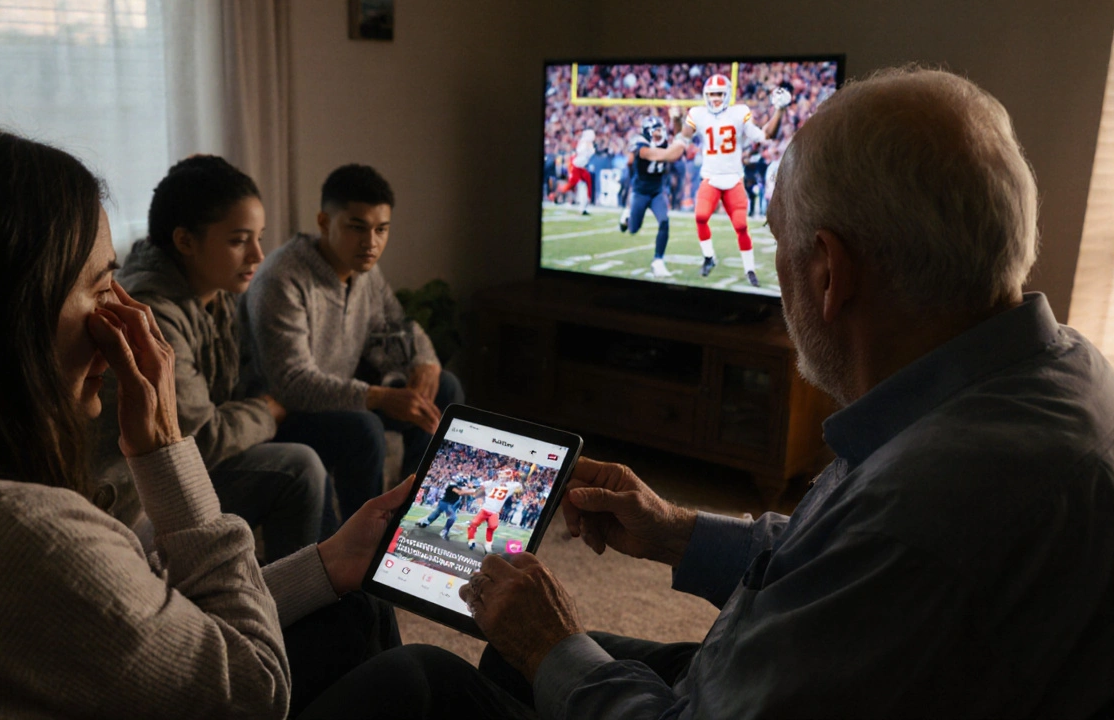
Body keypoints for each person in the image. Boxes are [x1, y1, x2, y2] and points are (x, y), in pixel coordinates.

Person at [297, 67, 1114, 720]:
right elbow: (839, 558)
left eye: (780, 244)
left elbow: (876, 551)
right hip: (803, 671)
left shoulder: (931, 504)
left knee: (417, 680)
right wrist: (678, 531)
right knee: (509, 660)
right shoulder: (1051, 372)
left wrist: (556, 647)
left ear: (829, 272)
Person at [0, 123, 409, 718]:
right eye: (101, 284)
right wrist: (167, 452)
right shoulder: (35, 540)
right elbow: (255, 689)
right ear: (2, 317)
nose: (121, 312)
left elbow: (157, 616)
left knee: (354, 602)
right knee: (420, 675)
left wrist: (328, 562)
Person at [92, 155, 327, 560]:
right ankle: (297, 611)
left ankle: (337, 582)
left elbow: (237, 388)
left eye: (259, 236)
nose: (258, 254)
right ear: (185, 241)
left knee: (334, 425)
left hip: (191, 459)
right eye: (239, 241)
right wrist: (267, 412)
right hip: (140, 492)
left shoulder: (213, 292)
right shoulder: (153, 311)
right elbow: (204, 436)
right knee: (298, 466)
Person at [242, 163, 465, 521]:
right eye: (357, 227)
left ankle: (414, 514)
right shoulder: (282, 279)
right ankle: (361, 545)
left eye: (381, 229)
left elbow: (392, 325)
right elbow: (292, 384)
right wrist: (377, 397)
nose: (371, 243)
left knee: (445, 389)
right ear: (324, 222)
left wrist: (425, 361)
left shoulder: (364, 270)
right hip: (284, 413)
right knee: (363, 428)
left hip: (340, 396)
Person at [677, 74, 789, 286]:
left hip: (733, 179)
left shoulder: (739, 113)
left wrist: (780, 110)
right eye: (711, 94)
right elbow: (683, 137)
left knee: (741, 226)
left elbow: (765, 136)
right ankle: (709, 257)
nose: (715, 99)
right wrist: (675, 119)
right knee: (700, 216)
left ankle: (750, 269)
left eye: (719, 94)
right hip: (710, 178)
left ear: (727, 93)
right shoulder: (698, 114)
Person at [618, 113, 691, 279]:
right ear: (647, 131)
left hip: (657, 191)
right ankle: (627, 217)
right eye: (656, 130)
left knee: (664, 221)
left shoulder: (663, 142)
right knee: (633, 229)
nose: (659, 133)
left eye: (661, 129)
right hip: (640, 191)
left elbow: (677, 135)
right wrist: (675, 150)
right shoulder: (640, 144)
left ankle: (658, 261)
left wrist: (677, 120)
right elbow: (660, 155)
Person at [465, 466, 525, 554]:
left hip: (494, 512)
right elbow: (480, 485)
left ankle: (488, 545)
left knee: (492, 526)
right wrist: (473, 485)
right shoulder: (491, 483)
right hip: (485, 509)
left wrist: (519, 477)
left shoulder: (511, 485)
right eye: (501, 475)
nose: (501, 477)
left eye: (504, 475)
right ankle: (471, 541)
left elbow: (520, 488)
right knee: (473, 524)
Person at [549, 129, 596, 215]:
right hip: (577, 168)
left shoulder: (587, 144)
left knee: (584, 187)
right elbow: (581, 153)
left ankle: (583, 207)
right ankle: (555, 196)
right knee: (572, 186)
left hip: (581, 168)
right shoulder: (584, 143)